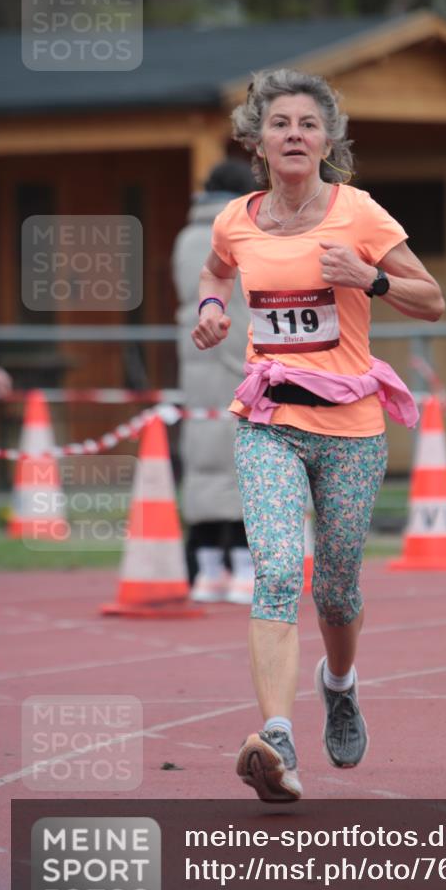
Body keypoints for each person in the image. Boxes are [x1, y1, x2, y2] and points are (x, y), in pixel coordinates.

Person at [192, 68, 444, 801]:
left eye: (308, 123)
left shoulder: (359, 213)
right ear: (256, 141)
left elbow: (430, 300)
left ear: (328, 139)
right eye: (280, 124)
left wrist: (369, 279)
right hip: (268, 420)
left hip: (352, 428)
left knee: (334, 589)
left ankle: (339, 682)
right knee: (275, 571)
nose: (294, 134)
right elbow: (214, 272)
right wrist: (210, 308)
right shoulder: (234, 219)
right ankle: (275, 736)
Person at [173, 159, 258, 603]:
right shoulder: (244, 231)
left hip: (195, 359)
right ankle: (245, 567)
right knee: (244, 461)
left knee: (203, 459)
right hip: (237, 354)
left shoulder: (187, 236)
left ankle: (207, 569)